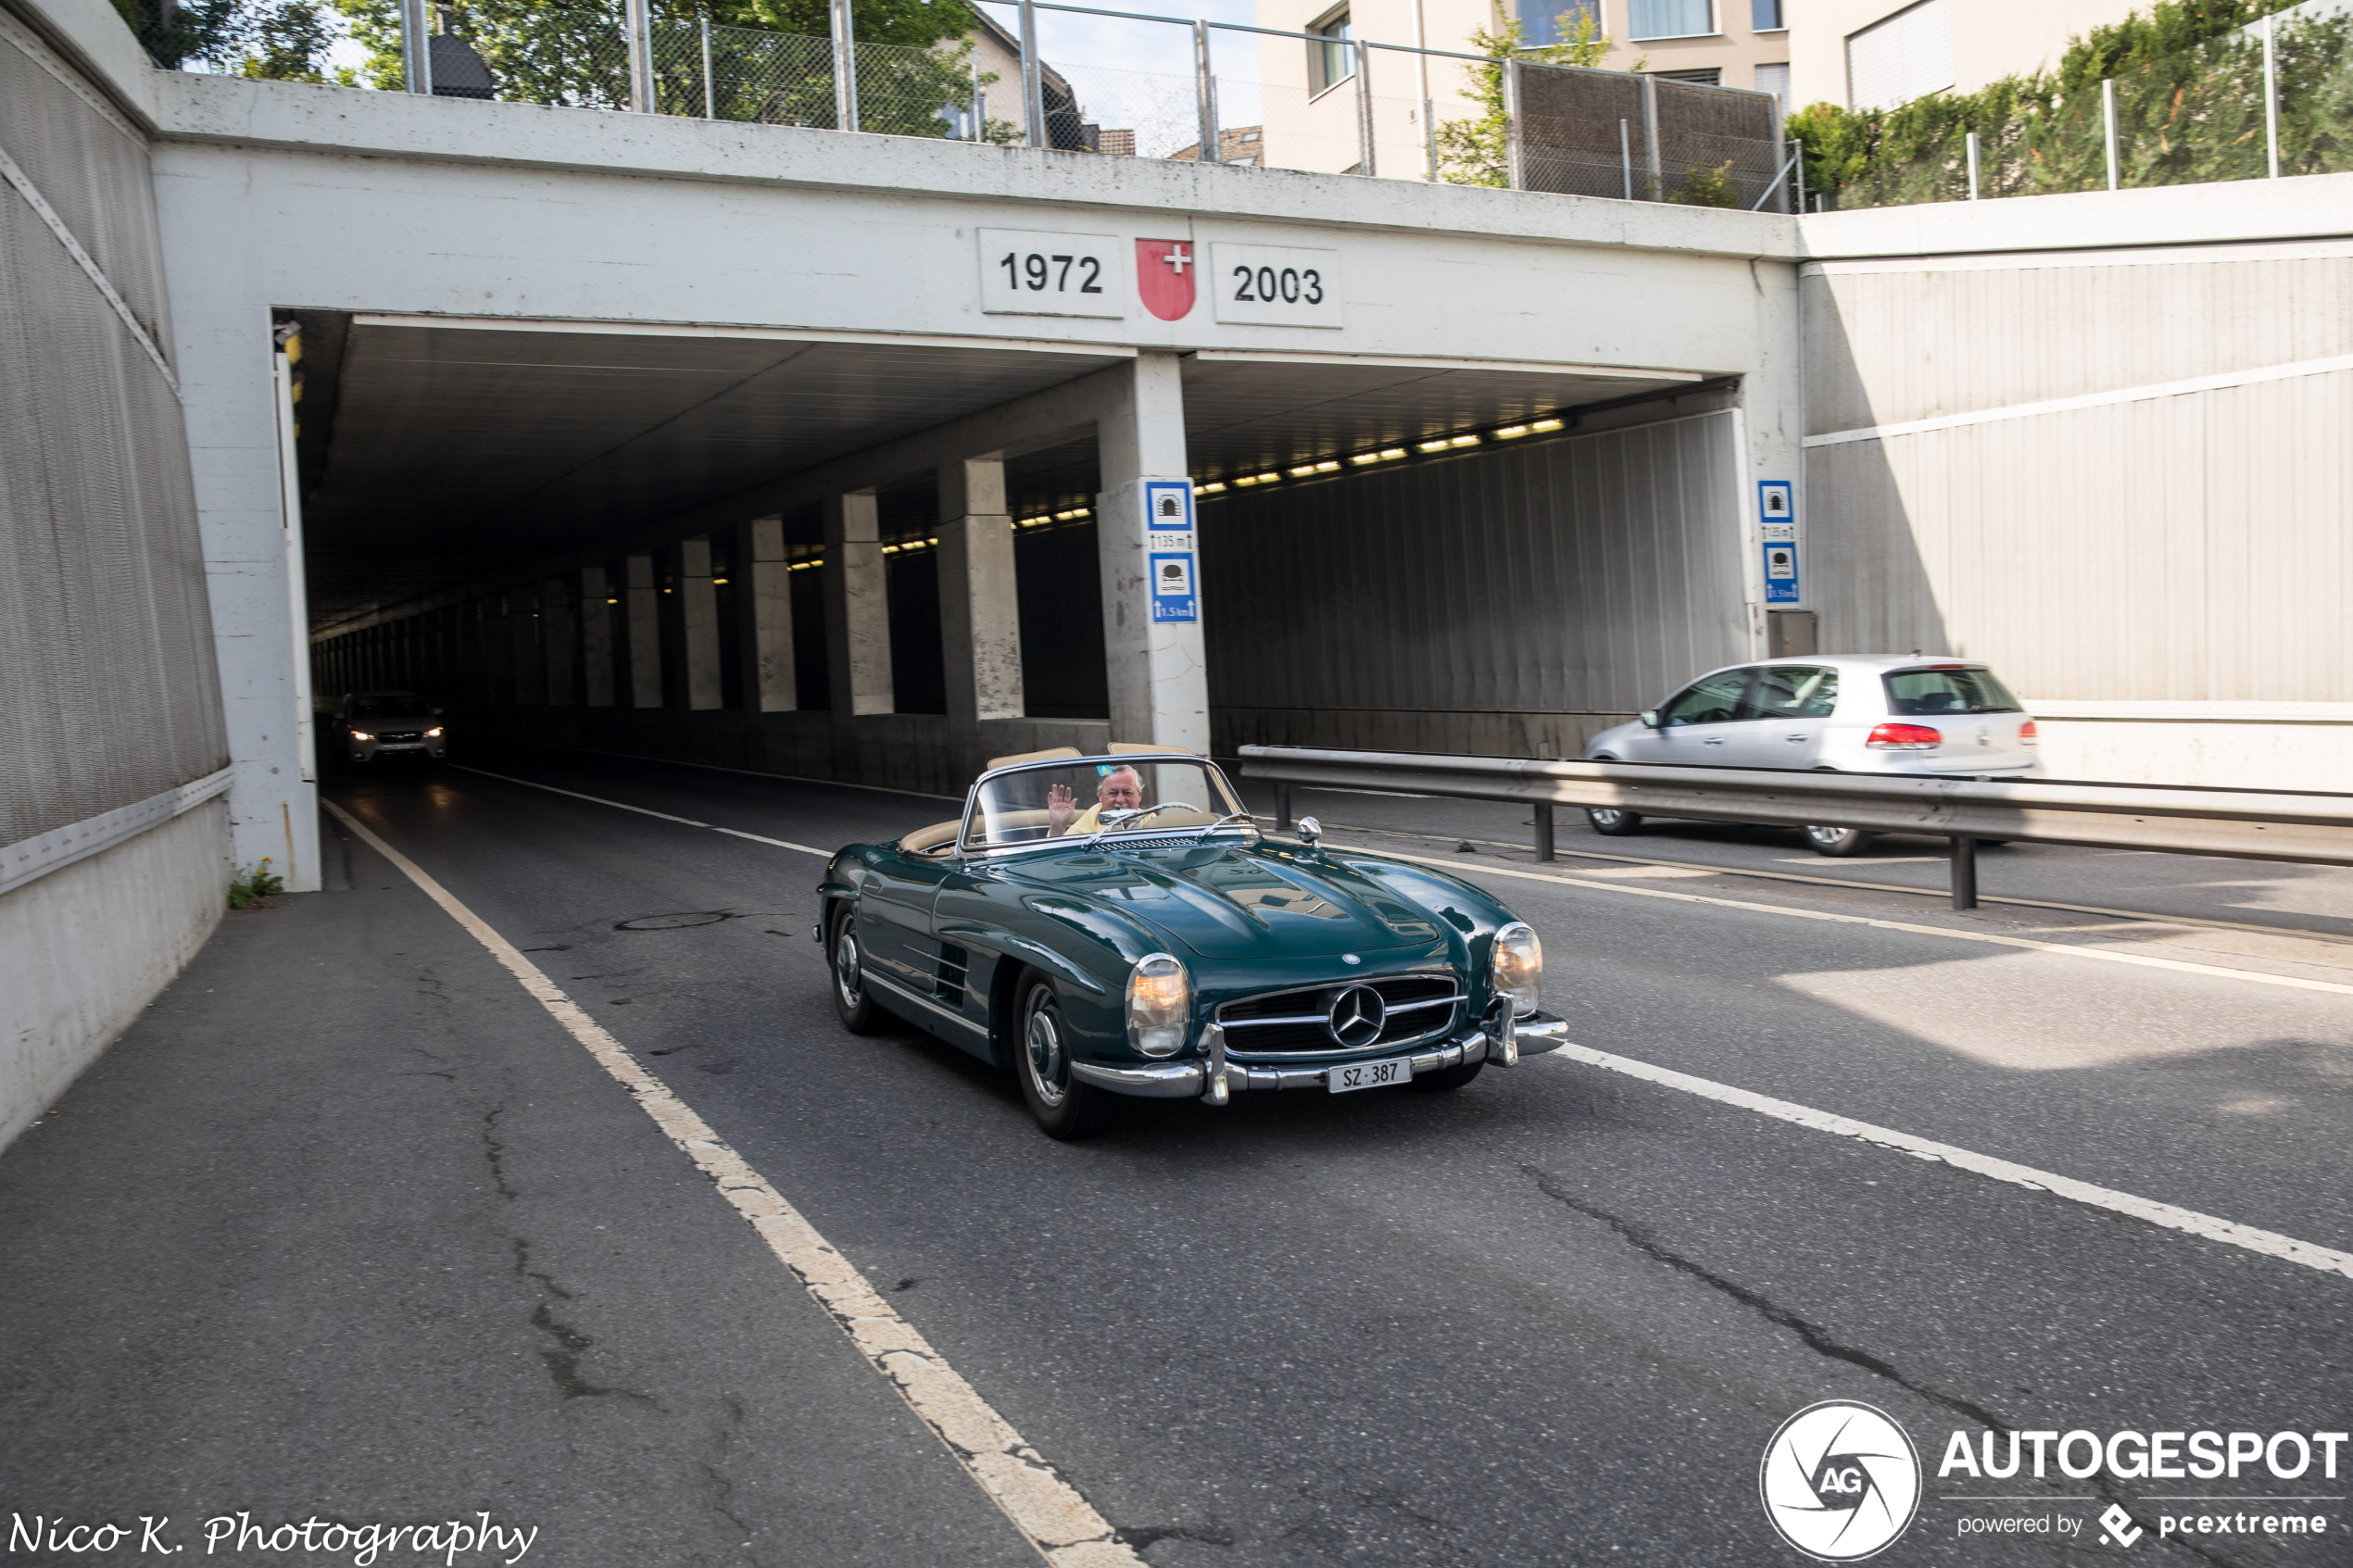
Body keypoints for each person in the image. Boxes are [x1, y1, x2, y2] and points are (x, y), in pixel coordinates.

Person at [1048, 765, 1143, 836]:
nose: (1120, 800)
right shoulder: (1086, 826)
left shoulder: (1151, 822)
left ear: (1139, 795)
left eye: (1127, 792)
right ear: (1100, 796)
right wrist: (1057, 827)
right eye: (1112, 793)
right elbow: (1061, 859)